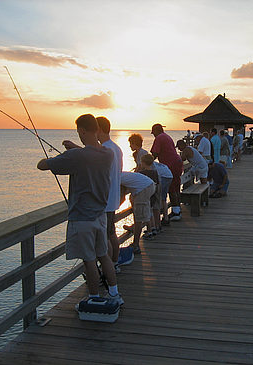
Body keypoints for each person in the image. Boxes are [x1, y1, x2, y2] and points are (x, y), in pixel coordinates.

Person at [36, 113, 123, 307]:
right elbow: (89, 154)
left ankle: (94, 298)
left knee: (89, 259)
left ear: (82, 130)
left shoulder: (77, 156)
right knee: (103, 255)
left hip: (82, 218)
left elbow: (42, 165)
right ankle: (115, 294)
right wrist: (74, 150)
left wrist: (64, 155)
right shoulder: (108, 154)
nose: (79, 135)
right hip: (101, 216)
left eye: (79, 132)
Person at [150, 123, 183, 221]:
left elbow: (154, 154)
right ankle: (177, 209)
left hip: (171, 165)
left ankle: (176, 213)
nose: (153, 135)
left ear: (156, 130)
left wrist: (145, 163)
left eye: (153, 133)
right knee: (176, 187)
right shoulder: (167, 136)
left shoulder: (159, 138)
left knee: (172, 189)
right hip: (177, 162)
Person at [121, 171, 156, 254]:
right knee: (143, 212)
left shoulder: (115, 178)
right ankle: (149, 231)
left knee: (139, 218)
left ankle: (136, 245)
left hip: (144, 189)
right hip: (148, 185)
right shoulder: (120, 175)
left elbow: (121, 196)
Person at [139, 154, 162, 237]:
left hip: (147, 195)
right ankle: (154, 227)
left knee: (148, 213)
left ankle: (150, 230)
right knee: (151, 211)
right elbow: (157, 183)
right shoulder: (154, 172)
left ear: (143, 163)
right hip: (154, 194)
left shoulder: (142, 173)